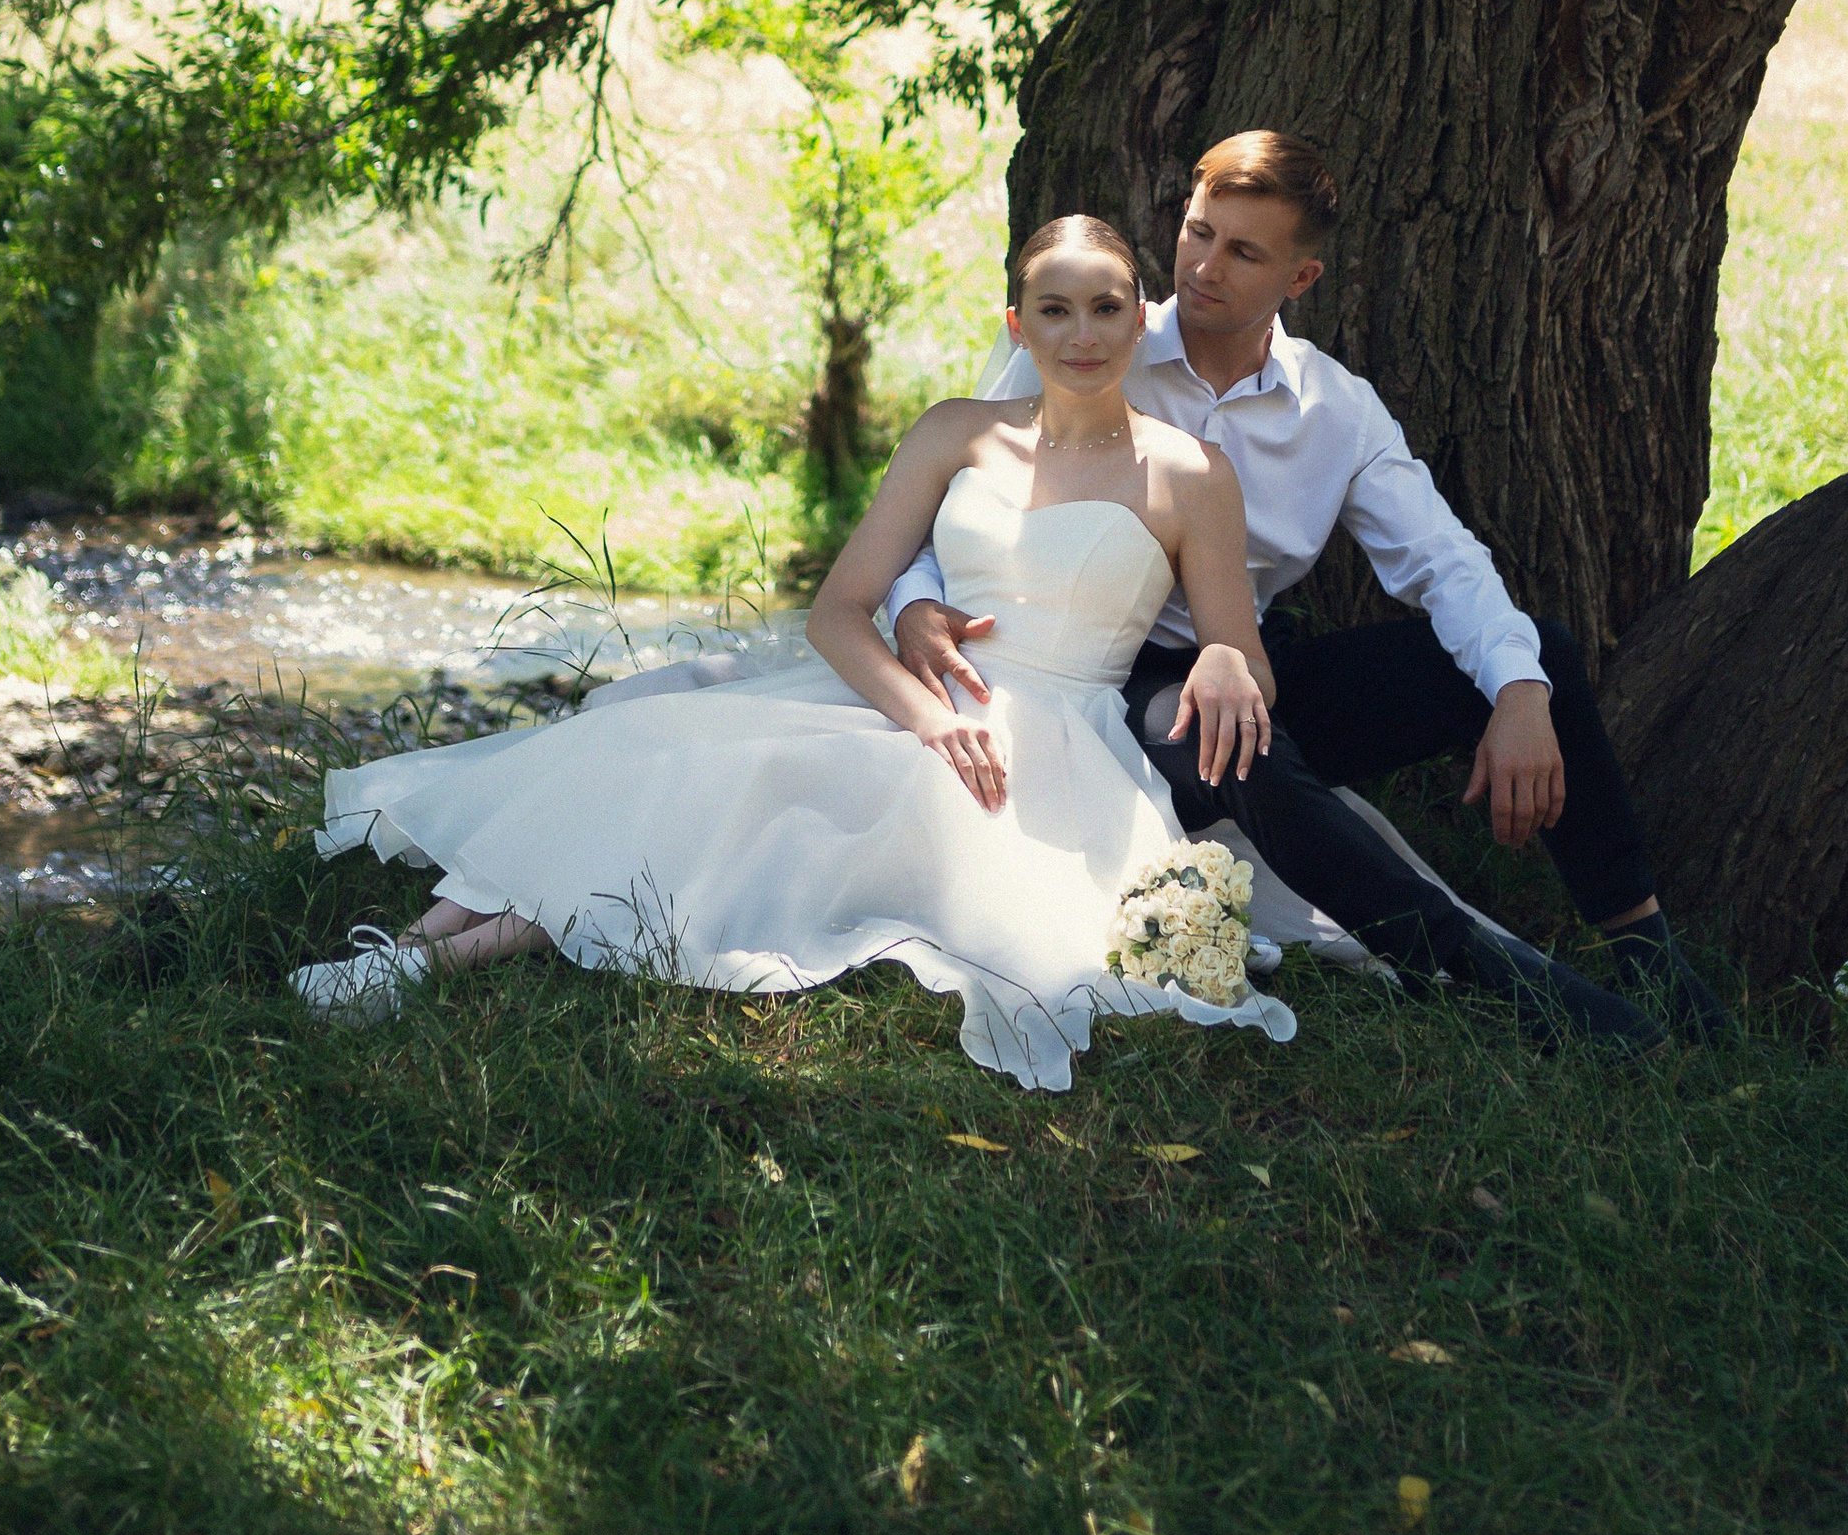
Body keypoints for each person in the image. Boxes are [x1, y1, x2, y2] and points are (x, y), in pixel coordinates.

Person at [285, 213, 1298, 1092]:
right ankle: (403, 948)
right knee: (665, 761)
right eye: (1055, 309)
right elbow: (839, 610)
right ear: (1016, 324)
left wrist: (1221, 662)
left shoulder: (1191, 473)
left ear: (1139, 315)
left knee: (748, 802)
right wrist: (932, 717)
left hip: (1057, 752)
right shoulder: (958, 432)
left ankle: (429, 967)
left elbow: (1242, 660)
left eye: (1107, 308)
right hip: (916, 703)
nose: (1083, 335)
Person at [886, 133, 1733, 1053]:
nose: (1205, 267)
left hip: (1249, 659)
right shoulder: (1094, 333)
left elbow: (1443, 561)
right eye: (1199, 233)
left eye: (1244, 252)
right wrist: (914, 606)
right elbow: (965, 500)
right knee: (1226, 743)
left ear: (1302, 277)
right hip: (1103, 683)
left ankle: (1645, 951)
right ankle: (1484, 968)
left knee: (1539, 655)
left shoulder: (1336, 411)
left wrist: (1523, 694)